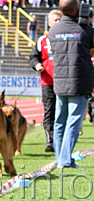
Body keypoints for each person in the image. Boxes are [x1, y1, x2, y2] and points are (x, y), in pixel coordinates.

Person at [48, 0, 94, 169]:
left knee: (59, 122)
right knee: (73, 123)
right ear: (76, 10)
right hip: (79, 82)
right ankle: (65, 161)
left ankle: (61, 159)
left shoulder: (53, 31)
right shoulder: (86, 30)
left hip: (59, 81)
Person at [29, 9, 62, 152]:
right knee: (50, 111)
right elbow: (33, 57)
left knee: (64, 111)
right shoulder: (42, 40)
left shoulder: (68, 37)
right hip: (48, 81)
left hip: (65, 81)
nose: (58, 22)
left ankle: (63, 140)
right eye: (55, 20)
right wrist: (37, 65)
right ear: (49, 22)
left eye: (60, 19)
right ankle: (50, 141)